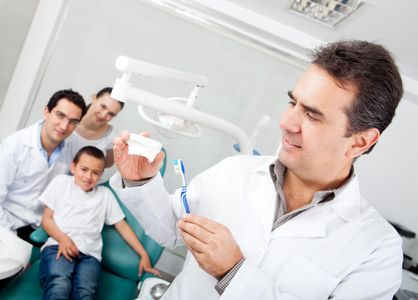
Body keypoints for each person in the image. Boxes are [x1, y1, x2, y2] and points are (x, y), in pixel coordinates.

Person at [110, 40, 404, 299]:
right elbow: (172, 229)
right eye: (293, 103)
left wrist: (233, 273)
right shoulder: (234, 171)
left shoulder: (376, 248)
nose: (287, 123)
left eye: (312, 115)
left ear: (360, 142)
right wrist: (140, 182)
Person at [39, 146, 159, 300]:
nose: (88, 176)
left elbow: (122, 226)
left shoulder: (105, 195)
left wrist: (144, 255)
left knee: (85, 293)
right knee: (60, 284)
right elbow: (46, 219)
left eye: (95, 173)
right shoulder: (61, 183)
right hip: (58, 247)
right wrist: (63, 239)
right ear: (73, 167)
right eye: (84, 169)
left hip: (89, 257)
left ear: (101, 174)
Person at [0, 89, 87, 240]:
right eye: (60, 115)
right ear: (47, 112)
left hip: (37, 225)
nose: (64, 126)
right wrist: (10, 237)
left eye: (73, 122)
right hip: (0, 219)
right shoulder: (13, 145)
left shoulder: (73, 146)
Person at [67, 87, 124, 169]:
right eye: (103, 106)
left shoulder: (113, 137)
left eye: (111, 114)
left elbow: (107, 164)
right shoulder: (68, 119)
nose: (103, 115)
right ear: (94, 98)